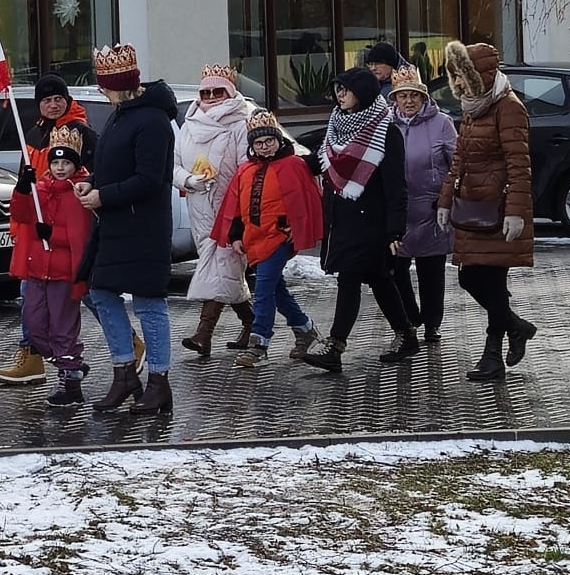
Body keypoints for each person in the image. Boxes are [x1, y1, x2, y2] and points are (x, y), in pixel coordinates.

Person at [78, 43, 180, 414]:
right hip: (116, 224)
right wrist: (91, 182)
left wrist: (104, 196)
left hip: (144, 226)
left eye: (105, 85)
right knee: (99, 291)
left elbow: (150, 179)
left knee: (149, 302)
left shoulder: (152, 121)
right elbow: (113, 165)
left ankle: (159, 381)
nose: (101, 91)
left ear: (120, 84)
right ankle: (124, 372)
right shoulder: (120, 115)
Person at [299, 67, 417, 374]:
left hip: (371, 220)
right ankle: (406, 334)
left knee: (349, 278)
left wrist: (395, 229)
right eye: (337, 89)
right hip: (341, 217)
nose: (340, 95)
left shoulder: (385, 131)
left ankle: (335, 346)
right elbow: (319, 162)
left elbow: (396, 185)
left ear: (362, 93)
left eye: (346, 90)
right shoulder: (336, 126)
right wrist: (285, 156)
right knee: (378, 278)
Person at [437, 41, 537, 381]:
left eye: (462, 76)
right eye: (454, 76)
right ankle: (515, 327)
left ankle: (493, 355)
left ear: (479, 75)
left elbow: (519, 164)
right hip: (471, 207)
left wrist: (516, 212)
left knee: (491, 281)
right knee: (473, 279)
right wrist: (445, 200)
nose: (457, 83)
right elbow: (459, 160)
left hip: (497, 209)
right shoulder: (472, 106)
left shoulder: (508, 108)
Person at [0, 74, 98, 386]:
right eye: (46, 100)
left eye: (58, 99)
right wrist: (22, 217)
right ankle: (38, 355)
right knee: (34, 304)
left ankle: (121, 345)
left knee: (89, 297)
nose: (53, 105)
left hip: (64, 236)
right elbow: (24, 186)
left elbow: (94, 177)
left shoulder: (81, 132)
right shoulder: (34, 132)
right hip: (38, 234)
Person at [211, 110, 322, 367]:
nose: (264, 146)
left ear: (278, 140)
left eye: (269, 141)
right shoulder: (245, 170)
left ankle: (259, 342)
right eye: (258, 142)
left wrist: (297, 226)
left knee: (262, 290)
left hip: (280, 238)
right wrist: (235, 235)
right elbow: (235, 207)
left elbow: (308, 198)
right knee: (275, 289)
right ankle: (305, 328)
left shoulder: (295, 165)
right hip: (254, 239)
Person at [174, 63, 257, 357]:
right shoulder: (189, 124)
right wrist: (188, 180)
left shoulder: (241, 123)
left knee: (219, 268)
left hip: (230, 209)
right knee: (224, 272)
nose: (210, 97)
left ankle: (203, 334)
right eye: (205, 92)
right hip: (198, 208)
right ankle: (252, 322)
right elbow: (173, 164)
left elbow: (248, 167)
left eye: (217, 91)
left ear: (230, 92)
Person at [10, 126, 94, 404]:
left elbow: (78, 234)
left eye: (66, 163)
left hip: (63, 272)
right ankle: (69, 364)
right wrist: (23, 188)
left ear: (75, 165)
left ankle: (70, 380)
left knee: (62, 326)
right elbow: (21, 214)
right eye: (56, 163)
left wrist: (53, 235)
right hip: (37, 269)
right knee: (34, 324)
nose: (60, 168)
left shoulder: (77, 192)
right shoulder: (41, 189)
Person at [388, 66, 455, 349]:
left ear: (423, 97)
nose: (408, 101)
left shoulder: (442, 123)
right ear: (395, 99)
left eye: (414, 95)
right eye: (402, 96)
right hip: (398, 211)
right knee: (395, 269)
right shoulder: (386, 125)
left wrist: (447, 198)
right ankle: (409, 318)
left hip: (431, 208)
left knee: (432, 271)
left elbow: (456, 164)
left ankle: (432, 323)